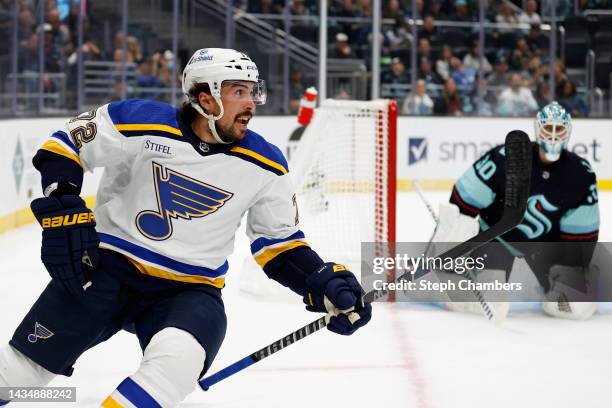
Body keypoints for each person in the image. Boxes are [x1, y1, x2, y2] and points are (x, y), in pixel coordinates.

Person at [0, 48, 372, 407]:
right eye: (239, 91)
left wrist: (320, 280)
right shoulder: (138, 121)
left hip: (189, 291)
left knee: (176, 364)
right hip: (105, 270)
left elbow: (278, 244)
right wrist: (62, 203)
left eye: (253, 91)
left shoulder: (266, 164)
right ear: (206, 98)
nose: (252, 103)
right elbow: (64, 145)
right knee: (16, 376)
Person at [447, 102, 600, 319]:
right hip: (496, 241)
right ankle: (461, 278)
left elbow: (581, 236)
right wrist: (452, 244)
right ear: (538, 129)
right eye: (549, 129)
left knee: (576, 307)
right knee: (487, 302)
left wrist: (572, 272)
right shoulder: (506, 158)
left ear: (568, 132)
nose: (554, 136)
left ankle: (551, 288)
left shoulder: (579, 175)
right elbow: (462, 203)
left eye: (560, 130)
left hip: (545, 247)